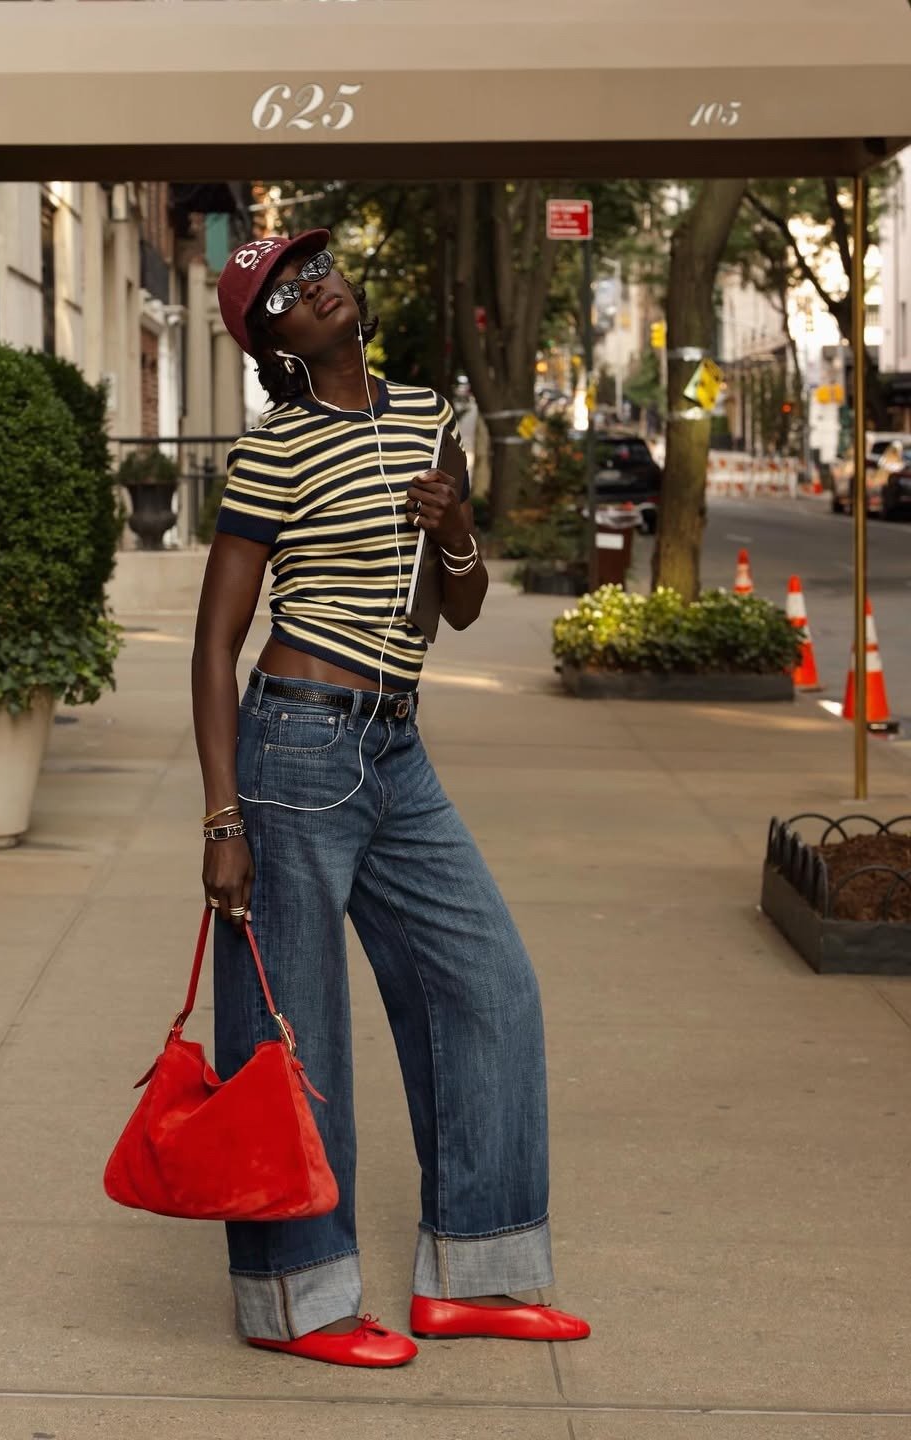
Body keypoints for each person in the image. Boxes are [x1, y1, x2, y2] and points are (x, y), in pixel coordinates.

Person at [190, 229, 590, 1369]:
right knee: (294, 1028)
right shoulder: (273, 449)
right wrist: (223, 819)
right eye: (286, 291)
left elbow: (449, 614)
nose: (316, 285)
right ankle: (297, 1301)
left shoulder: (426, 417)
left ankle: (479, 1275)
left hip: (398, 747)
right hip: (296, 746)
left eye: (316, 268)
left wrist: (457, 532)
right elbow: (215, 644)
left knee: (490, 987)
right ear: (271, 339)